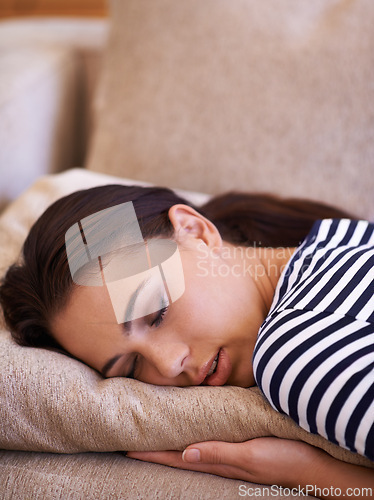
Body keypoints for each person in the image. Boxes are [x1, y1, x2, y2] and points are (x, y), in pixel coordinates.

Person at [0, 184, 373, 499]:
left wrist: (308, 473)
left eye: (156, 312)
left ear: (195, 230)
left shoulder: (291, 353)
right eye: (132, 367)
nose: (167, 364)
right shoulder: (341, 237)